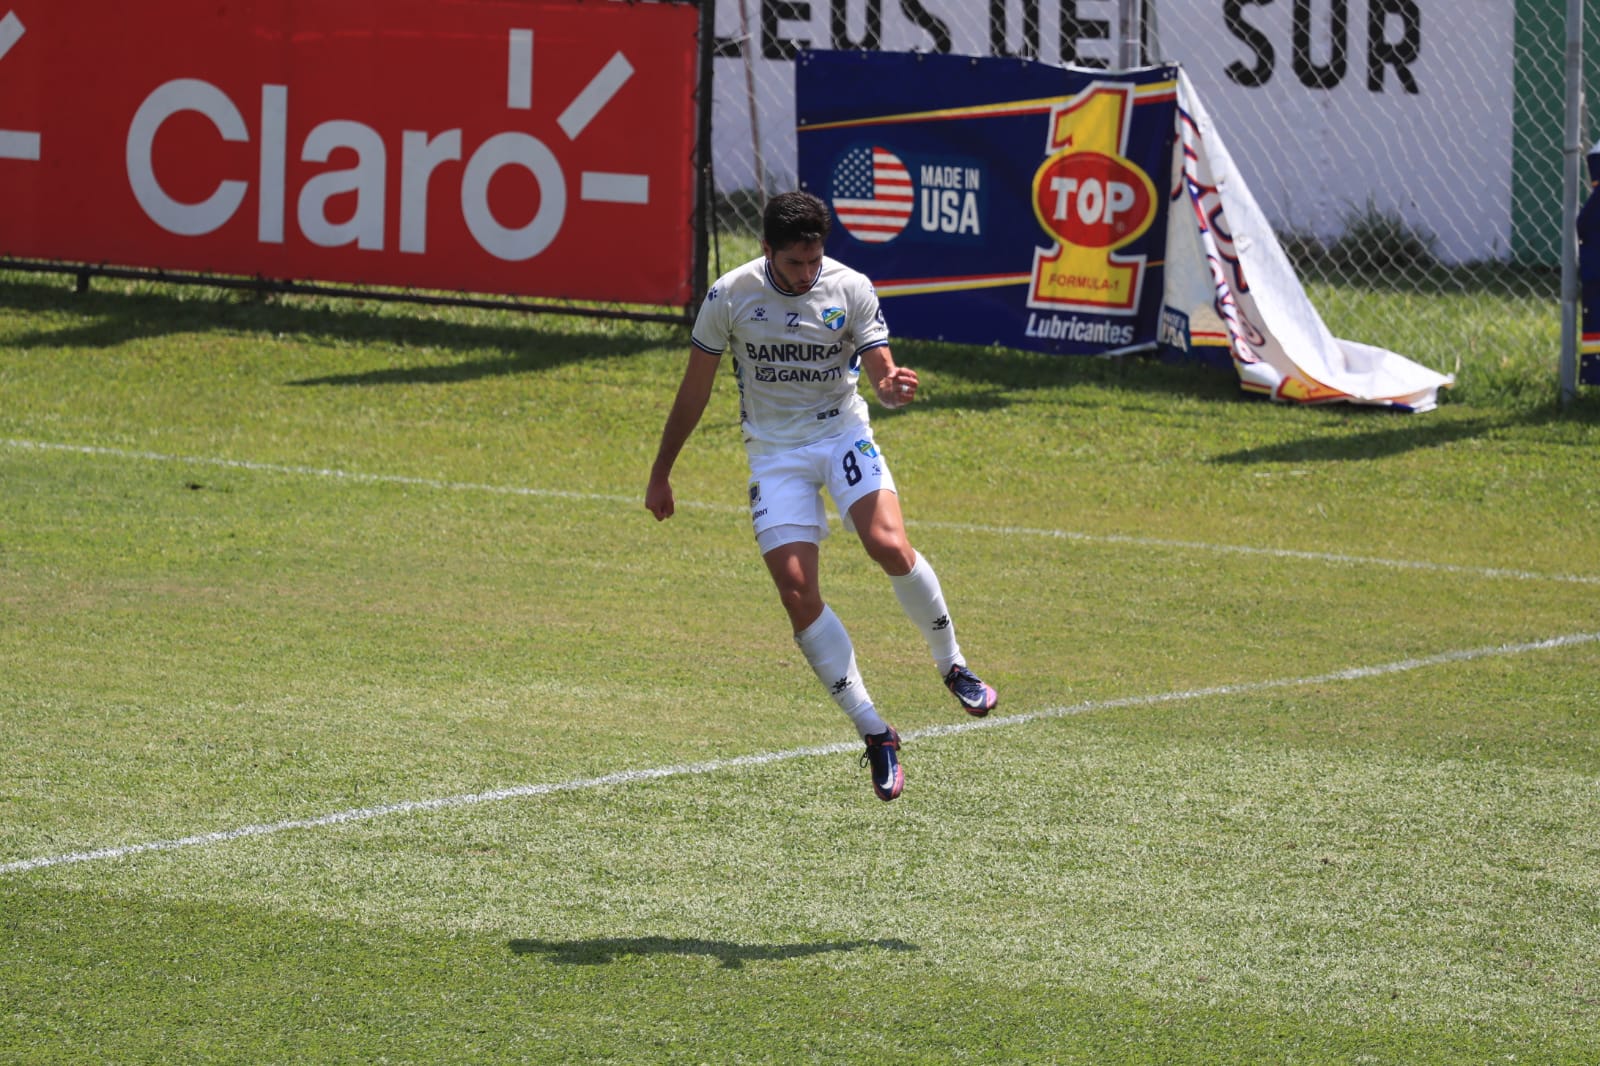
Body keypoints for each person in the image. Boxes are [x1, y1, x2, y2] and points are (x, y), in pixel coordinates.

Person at [645, 190, 997, 802]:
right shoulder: (729, 296)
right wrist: (661, 471)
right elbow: (694, 390)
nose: (806, 275)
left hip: (842, 436)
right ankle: (875, 731)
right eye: (793, 265)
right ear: (766, 251)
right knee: (796, 591)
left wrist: (890, 386)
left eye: (813, 262)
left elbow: (880, 368)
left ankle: (953, 665)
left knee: (886, 543)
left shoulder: (850, 287)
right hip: (774, 455)